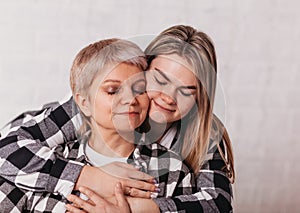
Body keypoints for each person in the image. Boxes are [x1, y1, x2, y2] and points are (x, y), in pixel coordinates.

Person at [0, 25, 235, 212]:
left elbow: (216, 202)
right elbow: (7, 149)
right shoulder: (87, 109)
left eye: (186, 91)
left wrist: (135, 208)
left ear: (199, 99)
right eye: (160, 80)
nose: (168, 97)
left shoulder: (198, 138)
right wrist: (88, 177)